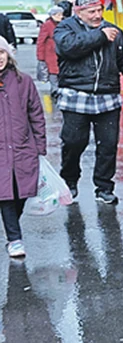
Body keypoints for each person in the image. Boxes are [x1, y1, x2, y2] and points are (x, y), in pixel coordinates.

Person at [54, 0, 123, 204]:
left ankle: (104, 187)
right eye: (91, 11)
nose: (97, 15)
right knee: (74, 142)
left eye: (99, 10)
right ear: (79, 12)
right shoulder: (65, 28)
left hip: (107, 96)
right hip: (76, 94)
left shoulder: (115, 31)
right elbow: (68, 48)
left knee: (108, 145)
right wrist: (100, 36)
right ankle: (70, 181)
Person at [0, 37, 46, 258]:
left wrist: (40, 145)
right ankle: (14, 238)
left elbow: (36, 114)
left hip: (22, 148)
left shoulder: (23, 81)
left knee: (21, 192)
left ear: (8, 55)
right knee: (5, 194)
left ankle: (11, 228)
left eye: (1, 52)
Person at [36, 6, 63, 99]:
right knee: (53, 73)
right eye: (59, 14)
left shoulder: (62, 23)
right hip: (50, 54)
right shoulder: (47, 25)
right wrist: (41, 57)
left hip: (60, 53)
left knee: (60, 71)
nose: (61, 16)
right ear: (53, 15)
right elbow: (41, 41)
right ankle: (55, 90)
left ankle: (59, 90)